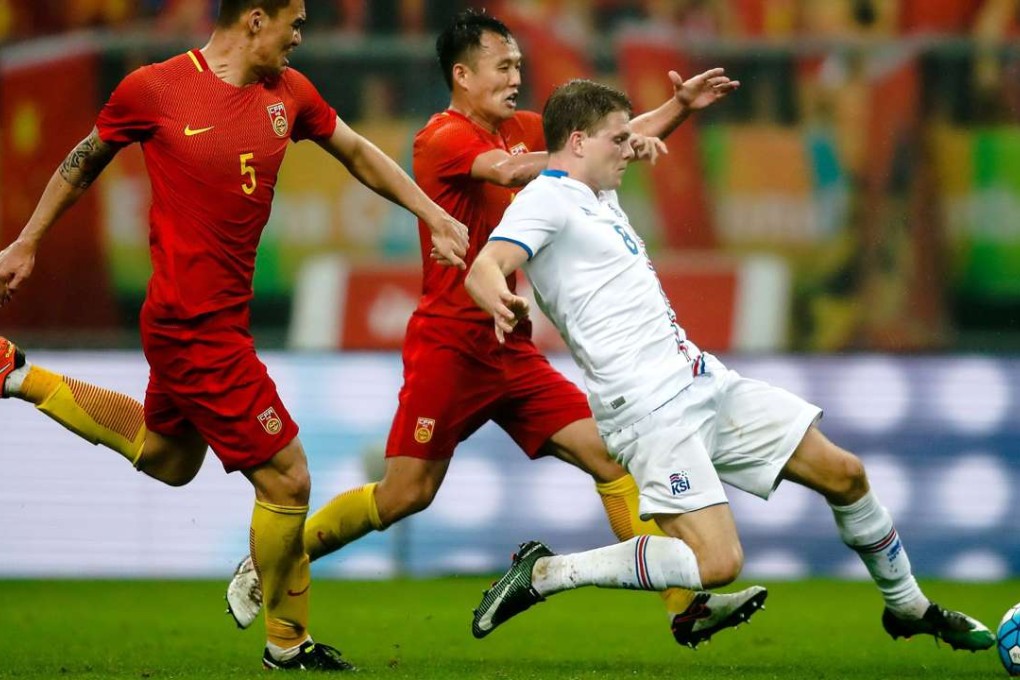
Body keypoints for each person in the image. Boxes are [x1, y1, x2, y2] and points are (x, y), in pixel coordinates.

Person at [224, 8, 764, 649]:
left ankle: (685, 605)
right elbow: (518, 170)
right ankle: (268, 560)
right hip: (450, 345)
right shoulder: (442, 137)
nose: (515, 76)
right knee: (405, 494)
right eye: (502, 66)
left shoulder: (521, 128)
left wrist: (678, 109)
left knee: (608, 455)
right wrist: (582, 155)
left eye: (517, 65)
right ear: (462, 73)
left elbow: (596, 145)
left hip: (509, 343)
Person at [0, 0, 468, 671]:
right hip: (194, 327)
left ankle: (15, 373)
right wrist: (27, 242)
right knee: (288, 477)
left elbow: (358, 153)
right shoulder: (155, 88)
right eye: (294, 21)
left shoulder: (291, 93)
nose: (302, 35)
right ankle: (288, 642)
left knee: (168, 459)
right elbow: (84, 159)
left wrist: (431, 213)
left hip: (210, 321)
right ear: (255, 19)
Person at [463, 78, 995, 652]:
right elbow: (486, 264)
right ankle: (546, 574)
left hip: (702, 380)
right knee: (717, 564)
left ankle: (908, 606)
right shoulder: (547, 199)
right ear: (577, 140)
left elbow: (626, 137)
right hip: (648, 412)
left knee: (846, 474)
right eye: (618, 140)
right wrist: (500, 297)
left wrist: (680, 109)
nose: (630, 149)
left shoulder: (595, 189)